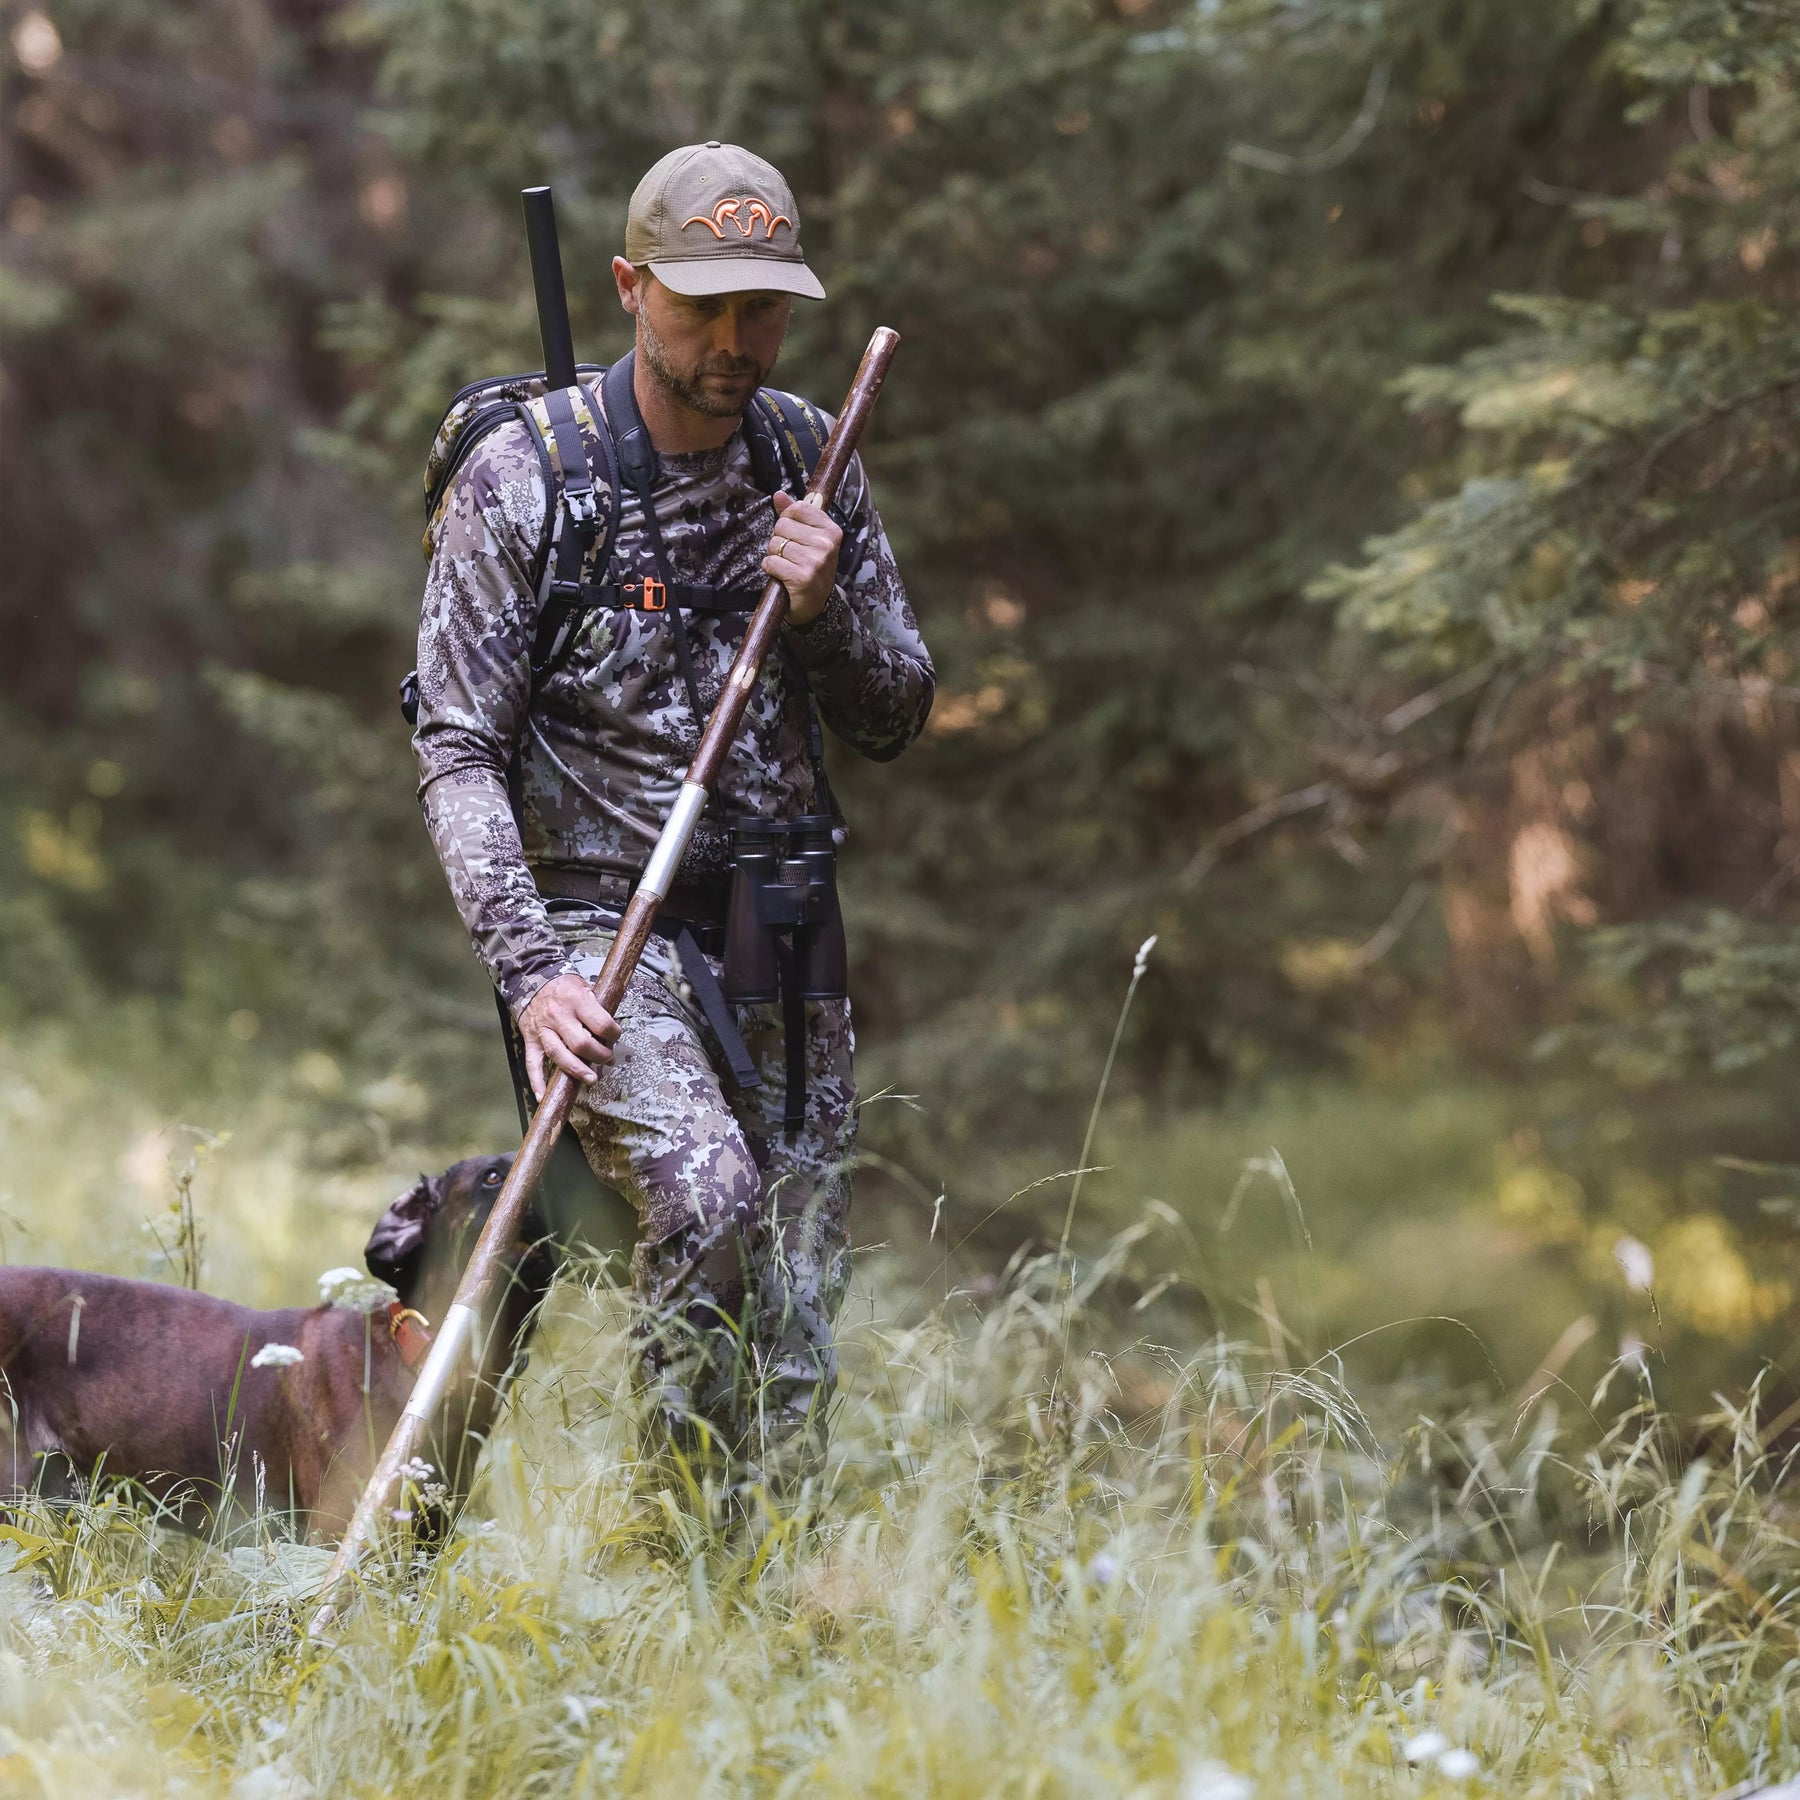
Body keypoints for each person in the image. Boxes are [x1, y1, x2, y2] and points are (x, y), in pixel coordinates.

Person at [411, 141, 934, 1499]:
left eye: (762, 307)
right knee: (707, 1201)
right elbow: (457, 747)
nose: (735, 339)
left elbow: (893, 709)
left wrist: (819, 616)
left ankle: (755, 1606)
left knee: (800, 1295)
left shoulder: (813, 455)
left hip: (783, 909)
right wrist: (532, 975)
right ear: (631, 287)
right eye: (702, 304)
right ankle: (668, 1542)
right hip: (600, 920)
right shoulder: (526, 479)